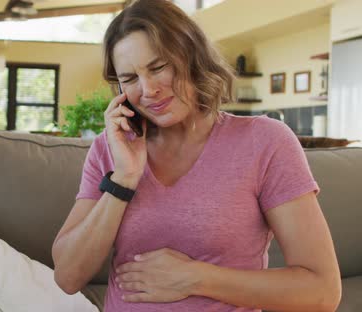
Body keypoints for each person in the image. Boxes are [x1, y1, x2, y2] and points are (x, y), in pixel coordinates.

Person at [51, 0, 341, 311]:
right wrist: (123, 180)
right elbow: (68, 277)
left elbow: (322, 292)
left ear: (192, 56)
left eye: (158, 67)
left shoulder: (265, 141)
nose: (148, 90)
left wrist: (196, 278)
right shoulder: (110, 150)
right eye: (131, 78)